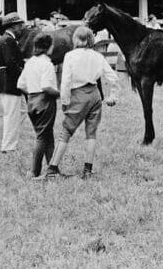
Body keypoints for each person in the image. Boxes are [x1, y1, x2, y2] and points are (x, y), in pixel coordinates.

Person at [45, 26, 118, 179]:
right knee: (91, 133)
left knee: (66, 131)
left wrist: (64, 100)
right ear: (91, 39)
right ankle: (88, 170)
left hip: (77, 94)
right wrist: (113, 96)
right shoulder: (98, 56)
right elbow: (112, 77)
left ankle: (52, 168)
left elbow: (65, 81)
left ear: (75, 39)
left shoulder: (70, 56)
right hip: (95, 94)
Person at [15, 32, 59, 177]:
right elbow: (47, 86)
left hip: (32, 101)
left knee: (47, 135)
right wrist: (60, 94)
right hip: (45, 101)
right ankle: (34, 171)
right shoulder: (47, 64)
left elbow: (21, 84)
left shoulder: (30, 62)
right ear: (49, 47)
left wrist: (33, 93)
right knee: (41, 137)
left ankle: (53, 168)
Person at [0, 12, 26, 154]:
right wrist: (25, 75)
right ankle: (8, 147)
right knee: (12, 115)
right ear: (12, 27)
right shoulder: (8, 40)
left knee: (22, 111)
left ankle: (10, 140)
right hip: (10, 82)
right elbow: (11, 63)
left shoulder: (6, 39)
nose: (21, 28)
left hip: (9, 82)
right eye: (19, 26)